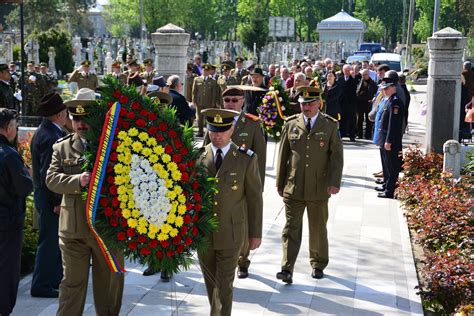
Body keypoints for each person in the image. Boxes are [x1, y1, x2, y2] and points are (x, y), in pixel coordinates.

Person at [46, 88, 124, 315]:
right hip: (74, 232)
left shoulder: (116, 144)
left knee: (109, 288)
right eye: (76, 118)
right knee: (71, 287)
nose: (81, 124)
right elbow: (50, 179)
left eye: (85, 118)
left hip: (107, 231)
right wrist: (77, 180)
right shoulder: (62, 147)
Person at [198, 108, 263, 316]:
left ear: (232, 129)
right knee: (211, 284)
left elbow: (254, 199)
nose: (217, 136)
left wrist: (255, 233)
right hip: (204, 234)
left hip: (232, 233)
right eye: (213, 131)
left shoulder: (246, 159)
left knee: (224, 285)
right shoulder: (198, 157)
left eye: (222, 131)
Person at [276, 86, 343, 284]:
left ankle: (318, 263)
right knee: (290, 229)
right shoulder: (291, 124)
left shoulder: (330, 125)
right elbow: (283, 156)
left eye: (310, 104)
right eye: (303, 104)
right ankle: (287, 268)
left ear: (319, 104)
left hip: (318, 187)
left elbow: (336, 157)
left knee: (318, 228)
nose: (306, 107)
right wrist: (280, 183)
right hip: (294, 186)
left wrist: (334, 182)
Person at [203, 88, 267, 279]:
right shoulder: (216, 121)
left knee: (244, 222)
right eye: (227, 100)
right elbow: (208, 150)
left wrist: (258, 187)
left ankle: (243, 260)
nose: (230, 103)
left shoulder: (253, 123)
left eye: (234, 100)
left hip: (243, 182)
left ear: (242, 102)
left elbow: (260, 159)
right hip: (221, 183)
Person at [30, 93, 68, 298]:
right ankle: (41, 285)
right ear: (60, 114)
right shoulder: (50, 136)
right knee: (49, 242)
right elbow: (48, 173)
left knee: (54, 242)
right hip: (50, 199)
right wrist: (57, 201)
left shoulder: (46, 131)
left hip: (47, 197)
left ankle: (52, 280)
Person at [0, 108, 33, 316]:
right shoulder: (10, 155)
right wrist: (28, 175)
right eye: (14, 125)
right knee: (7, 268)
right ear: (8, 128)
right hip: (7, 222)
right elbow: (23, 187)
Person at [374, 76, 404, 199]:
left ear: (393, 87)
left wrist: (388, 140)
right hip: (384, 137)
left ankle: (390, 190)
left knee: (392, 166)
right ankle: (386, 185)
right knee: (386, 164)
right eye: (383, 88)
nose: (384, 91)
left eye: (386, 88)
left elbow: (394, 124)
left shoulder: (395, 102)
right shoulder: (388, 100)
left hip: (390, 139)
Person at [192, 64, 220, 137]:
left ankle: (208, 133)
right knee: (199, 118)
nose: (205, 72)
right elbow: (194, 91)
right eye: (204, 70)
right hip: (199, 101)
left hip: (209, 102)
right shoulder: (197, 79)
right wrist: (193, 101)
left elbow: (214, 93)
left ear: (209, 71)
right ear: (202, 70)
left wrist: (213, 103)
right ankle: (200, 132)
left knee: (208, 118)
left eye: (207, 71)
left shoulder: (213, 81)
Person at [338, 64, 358, 141]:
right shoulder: (340, 79)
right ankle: (342, 134)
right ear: (343, 71)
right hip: (342, 103)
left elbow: (355, 88)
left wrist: (353, 78)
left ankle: (352, 135)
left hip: (351, 102)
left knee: (352, 119)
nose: (346, 72)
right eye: (345, 70)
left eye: (347, 70)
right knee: (342, 119)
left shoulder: (353, 79)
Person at [356, 69, 377, 139]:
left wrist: (373, 98)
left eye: (366, 74)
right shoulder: (359, 82)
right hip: (360, 102)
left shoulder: (373, 83)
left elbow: (376, 93)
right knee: (360, 119)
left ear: (368, 75)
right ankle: (359, 134)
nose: (364, 76)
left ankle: (368, 135)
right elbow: (356, 90)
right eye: (363, 75)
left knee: (369, 120)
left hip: (368, 103)